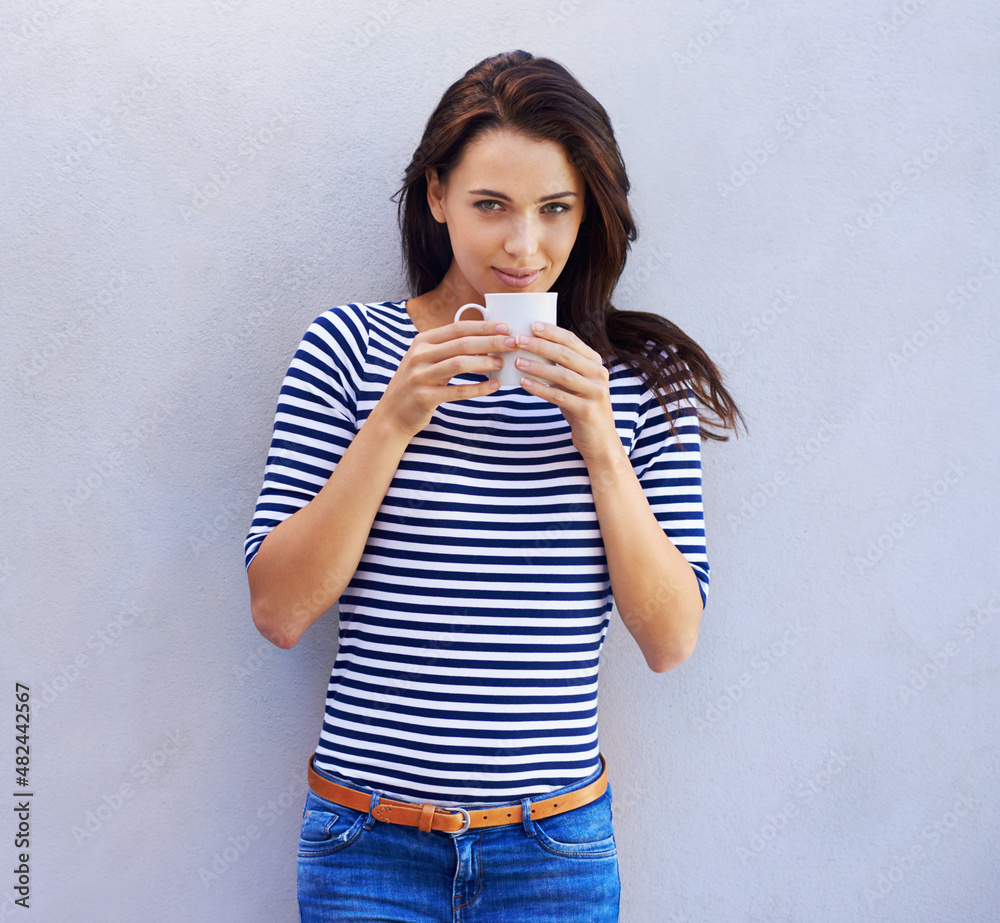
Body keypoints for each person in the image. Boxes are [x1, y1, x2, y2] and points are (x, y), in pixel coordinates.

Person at [244, 50, 741, 923]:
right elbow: (279, 611)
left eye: (556, 209)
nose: (524, 246)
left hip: (554, 852)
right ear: (436, 196)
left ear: (589, 212)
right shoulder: (348, 351)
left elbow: (671, 639)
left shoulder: (635, 380)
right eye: (491, 206)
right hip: (368, 845)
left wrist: (598, 439)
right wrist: (394, 418)